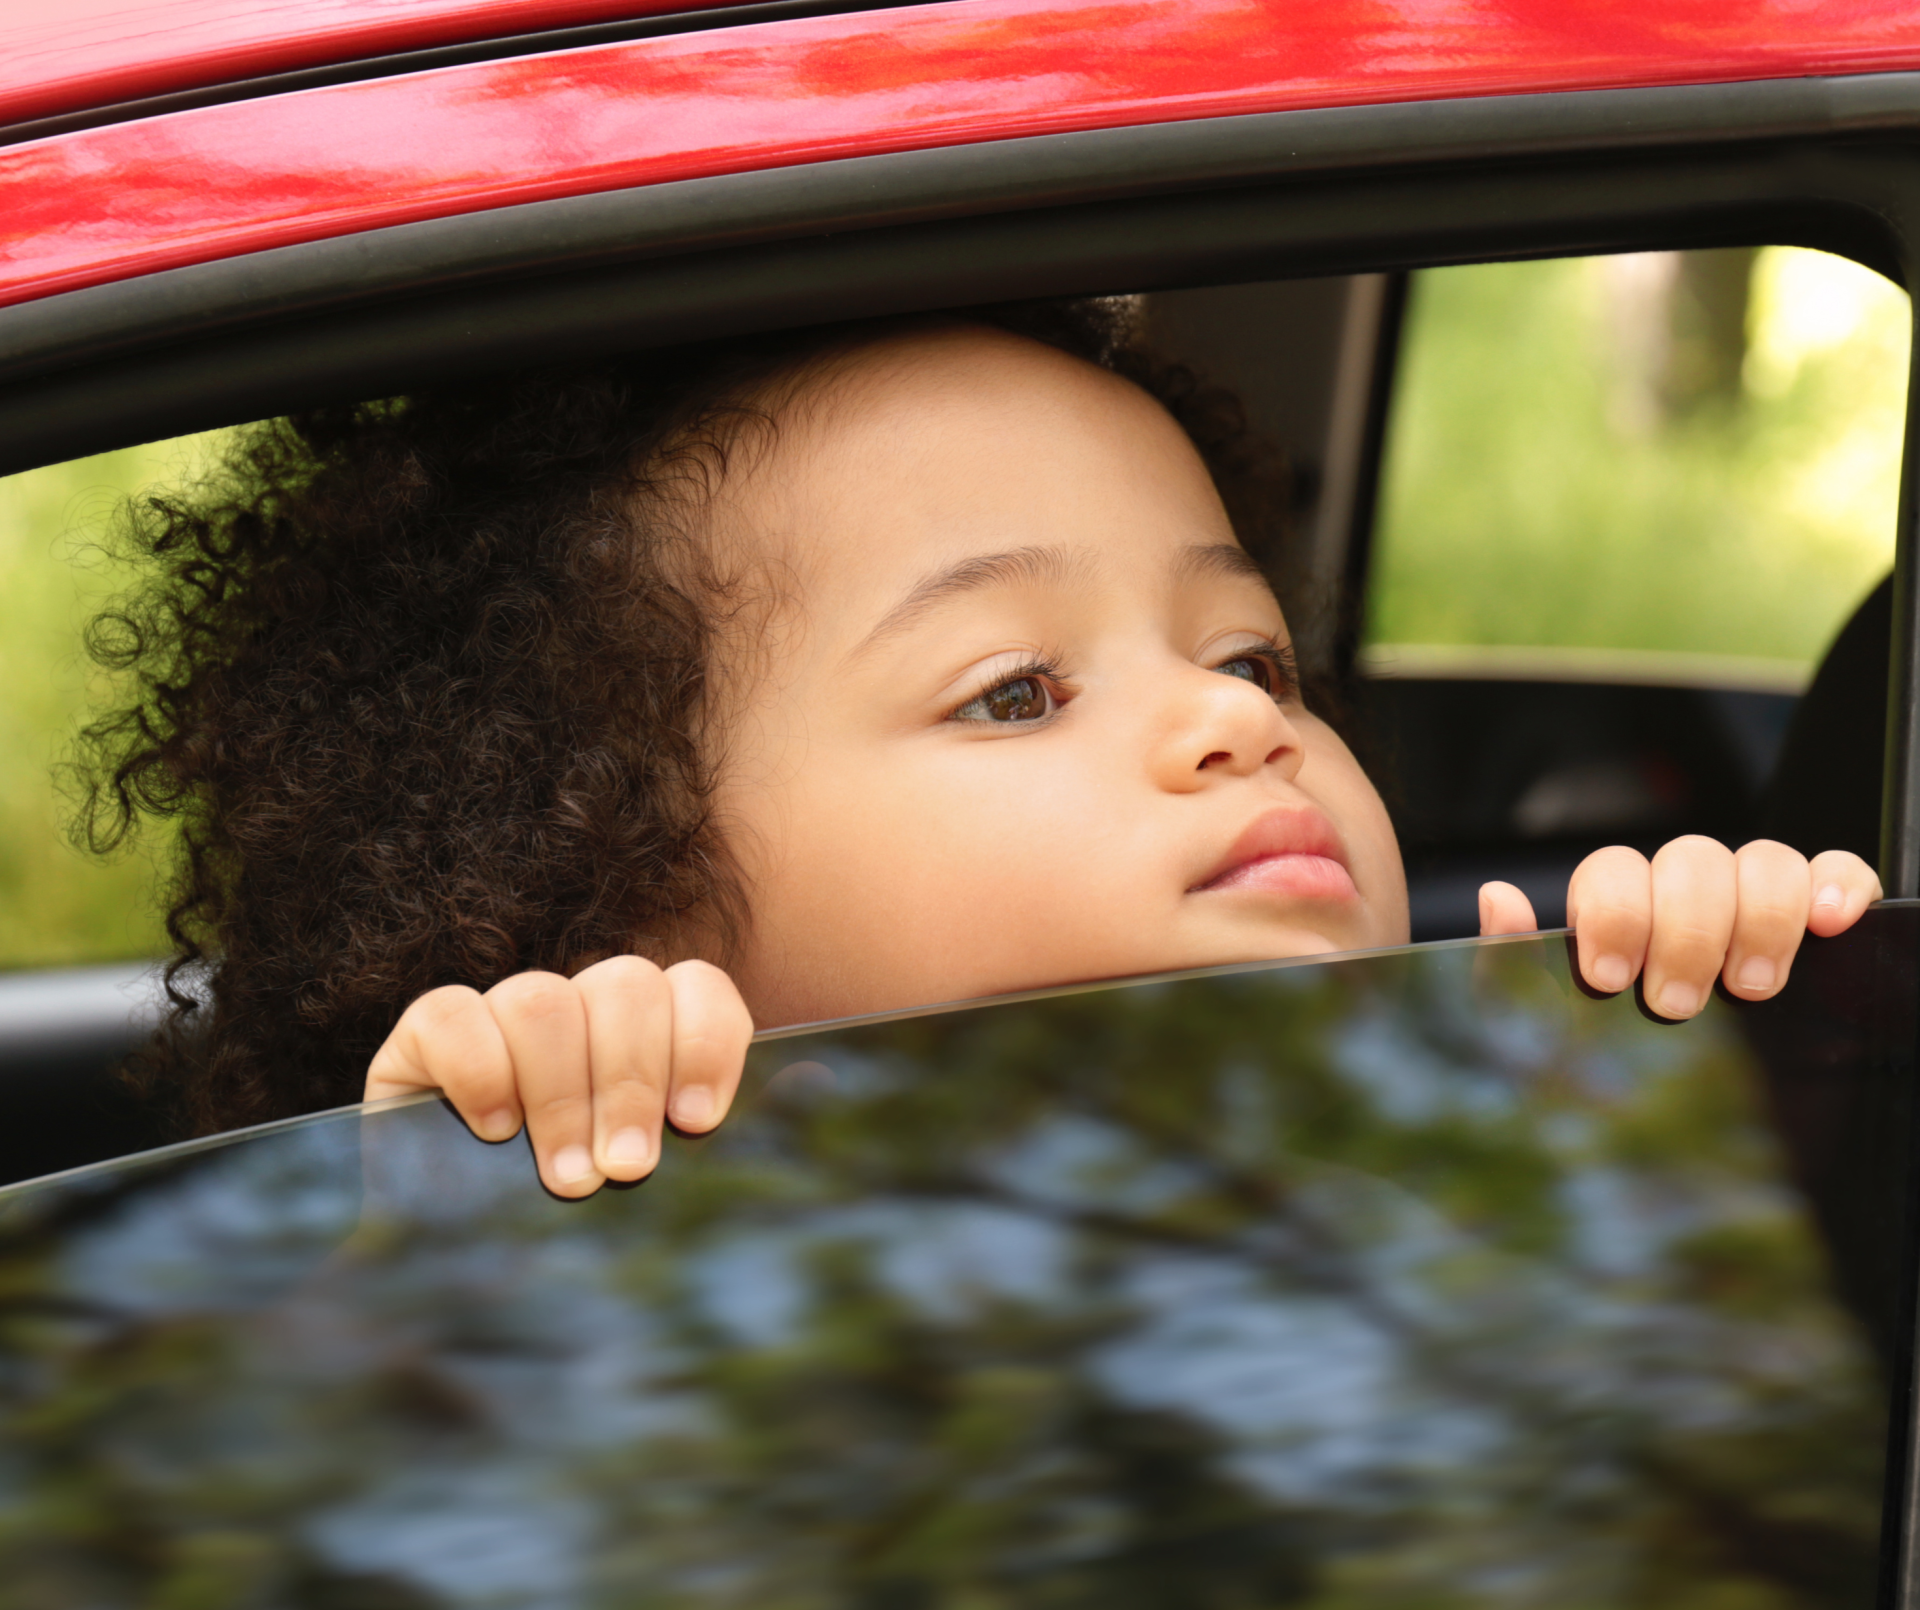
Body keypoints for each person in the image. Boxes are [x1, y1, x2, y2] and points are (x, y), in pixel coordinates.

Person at [85, 300, 1881, 1196]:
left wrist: (1747, 1076)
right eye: (1017, 689)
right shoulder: (634, 1328)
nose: (1237, 717)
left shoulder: (1485, 1168)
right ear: (641, 927)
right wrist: (445, 1228)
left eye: (1254, 650)